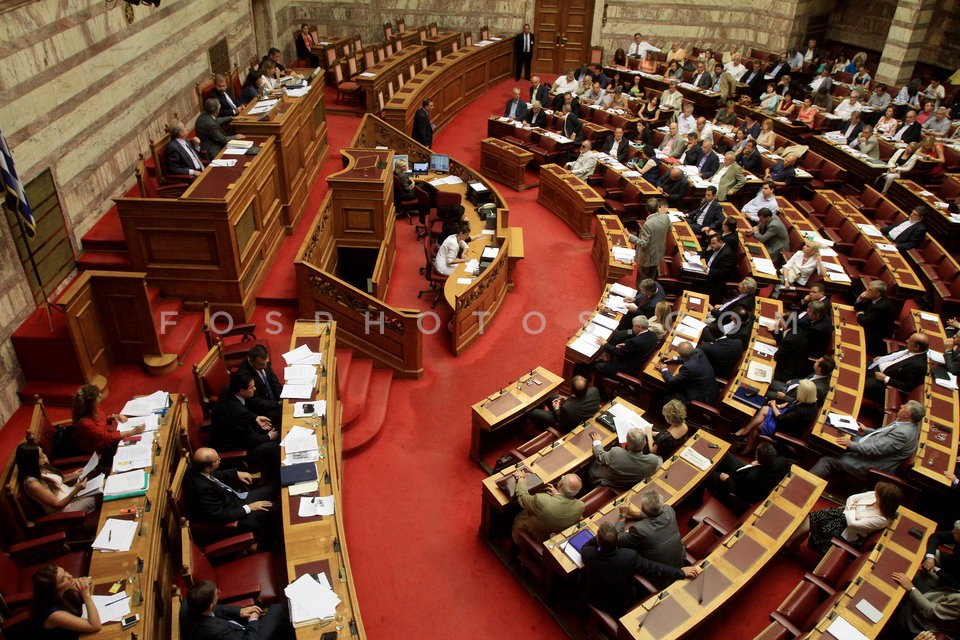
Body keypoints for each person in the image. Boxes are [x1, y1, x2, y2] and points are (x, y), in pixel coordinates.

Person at [581, 523, 700, 615]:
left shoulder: (588, 554)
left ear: (598, 541)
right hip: (622, 602)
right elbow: (654, 568)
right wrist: (680, 572)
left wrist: (599, 538)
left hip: (594, 598)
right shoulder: (629, 556)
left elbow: (587, 545)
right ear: (618, 540)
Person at [810, 401, 924, 481]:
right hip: (867, 444)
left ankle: (806, 483)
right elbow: (882, 435)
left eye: (904, 407)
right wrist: (867, 430)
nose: (901, 405)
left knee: (827, 459)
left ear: (908, 414)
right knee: (843, 429)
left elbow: (875, 449)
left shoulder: (904, 433)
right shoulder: (905, 422)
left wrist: (851, 444)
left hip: (868, 463)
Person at [183, 447, 278, 537]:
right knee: (277, 507)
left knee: (274, 489)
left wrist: (236, 474)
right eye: (217, 460)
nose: (220, 459)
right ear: (207, 467)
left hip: (235, 499)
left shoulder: (196, 468)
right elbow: (220, 516)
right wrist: (249, 507)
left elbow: (213, 475)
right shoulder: (203, 490)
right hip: (237, 516)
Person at [787, 482, 902, 554]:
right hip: (840, 515)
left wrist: (851, 509)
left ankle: (790, 544)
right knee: (813, 517)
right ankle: (791, 544)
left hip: (845, 533)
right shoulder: (876, 494)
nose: (874, 495)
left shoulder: (882, 520)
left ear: (885, 502)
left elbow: (852, 524)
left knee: (816, 520)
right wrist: (852, 511)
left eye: (877, 497)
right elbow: (851, 498)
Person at [181, 579, 292, 640]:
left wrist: (239, 611)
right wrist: (253, 620)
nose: (219, 591)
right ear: (210, 606)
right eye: (217, 593)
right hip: (246, 636)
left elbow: (216, 609)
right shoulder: (216, 631)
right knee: (277, 609)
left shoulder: (188, 603)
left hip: (235, 627)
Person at [211, 371, 280, 466]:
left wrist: (255, 417)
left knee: (272, 425)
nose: (255, 389)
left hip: (235, 432)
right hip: (236, 448)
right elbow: (250, 440)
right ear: (242, 391)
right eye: (251, 387)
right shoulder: (239, 412)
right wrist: (269, 437)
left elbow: (240, 412)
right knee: (277, 445)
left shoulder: (227, 390)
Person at [734, 380, 818, 453]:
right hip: (786, 417)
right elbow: (792, 402)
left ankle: (747, 443)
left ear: (803, 394)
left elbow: (781, 419)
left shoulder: (800, 411)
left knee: (756, 424)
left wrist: (774, 406)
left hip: (784, 429)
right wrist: (779, 406)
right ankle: (745, 434)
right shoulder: (810, 400)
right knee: (764, 409)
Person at [15, 441, 96, 515]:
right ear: (31, 460)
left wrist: (73, 475)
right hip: (65, 509)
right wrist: (76, 491)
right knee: (99, 494)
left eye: (42, 452)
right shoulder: (33, 484)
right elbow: (58, 505)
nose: (44, 456)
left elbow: (55, 481)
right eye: (40, 455)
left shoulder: (40, 467)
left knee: (103, 483)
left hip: (71, 494)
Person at [704, 442, 791, 509]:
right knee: (725, 455)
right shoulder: (782, 462)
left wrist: (727, 479)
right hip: (749, 470)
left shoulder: (753, 477)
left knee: (708, 472)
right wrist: (758, 465)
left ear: (758, 458)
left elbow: (739, 492)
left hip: (737, 482)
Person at [511, 471, 584, 543]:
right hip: (552, 537)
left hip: (533, 533)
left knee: (518, 516)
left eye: (562, 477)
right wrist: (557, 494)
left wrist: (520, 478)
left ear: (560, 484)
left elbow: (523, 498)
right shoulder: (580, 506)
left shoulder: (540, 500)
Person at [616, 490, 685, 567]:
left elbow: (616, 538)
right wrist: (631, 513)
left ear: (642, 508)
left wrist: (622, 515)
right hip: (681, 561)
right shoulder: (669, 510)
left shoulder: (639, 530)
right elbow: (655, 514)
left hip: (662, 572)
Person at [71, 384, 144, 456]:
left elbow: (102, 420)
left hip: (105, 436)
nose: (101, 395)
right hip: (99, 446)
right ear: (91, 403)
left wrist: (113, 417)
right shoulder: (85, 423)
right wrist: (132, 432)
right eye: (98, 395)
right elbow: (106, 437)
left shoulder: (92, 408)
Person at [31, 565, 102, 637]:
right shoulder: (54, 615)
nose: (70, 576)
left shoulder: (60, 590)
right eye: (62, 580)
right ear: (53, 589)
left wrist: (84, 583)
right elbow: (95, 626)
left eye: (65, 572)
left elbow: (88, 580)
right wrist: (86, 596)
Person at [863, 333, 929, 404]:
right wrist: (882, 358)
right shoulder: (911, 348)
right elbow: (894, 356)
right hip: (876, 366)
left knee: (861, 383)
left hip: (881, 381)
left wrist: (886, 378)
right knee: (857, 363)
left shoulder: (918, 366)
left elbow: (907, 386)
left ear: (916, 347)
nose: (906, 341)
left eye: (910, 340)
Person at [589, 427, 661, 489]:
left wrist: (597, 442)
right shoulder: (653, 461)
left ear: (627, 442)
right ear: (645, 443)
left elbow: (600, 455)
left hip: (606, 481)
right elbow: (659, 460)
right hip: (628, 485)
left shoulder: (616, 453)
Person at [892, 572, 960, 637]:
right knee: (905, 575)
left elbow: (930, 611)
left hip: (919, 617)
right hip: (934, 596)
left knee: (889, 607)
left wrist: (911, 588)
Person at [594, 315, 659, 380]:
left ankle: (605, 353)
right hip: (632, 334)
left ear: (638, 327)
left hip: (627, 365)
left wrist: (605, 344)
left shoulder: (635, 339)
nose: (633, 327)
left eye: (633, 326)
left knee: (617, 336)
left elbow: (623, 350)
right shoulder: (653, 335)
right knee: (618, 334)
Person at [529, 375, 601, 432]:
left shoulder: (567, 408)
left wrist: (556, 409)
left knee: (533, 412)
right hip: (577, 414)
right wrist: (566, 399)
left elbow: (562, 423)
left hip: (570, 425)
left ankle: (542, 427)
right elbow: (579, 400)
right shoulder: (595, 391)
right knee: (549, 395)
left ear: (571, 389)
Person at [238, 344, 283, 426]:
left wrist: (280, 397)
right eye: (261, 364)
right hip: (262, 408)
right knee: (283, 417)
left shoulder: (263, 362)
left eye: (266, 363)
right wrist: (277, 404)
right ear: (251, 361)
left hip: (273, 399)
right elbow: (255, 401)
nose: (265, 366)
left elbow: (274, 381)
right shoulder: (244, 375)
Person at [629, 198, 672, 282]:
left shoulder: (648, 224)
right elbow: (669, 230)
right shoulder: (666, 217)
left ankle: (641, 294)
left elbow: (643, 243)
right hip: (658, 254)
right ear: (658, 207)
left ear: (647, 209)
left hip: (647, 257)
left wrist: (630, 236)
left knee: (642, 280)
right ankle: (650, 294)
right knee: (651, 278)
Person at [766, 355, 835, 404]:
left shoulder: (818, 389)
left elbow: (800, 403)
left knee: (763, 392)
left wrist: (784, 397)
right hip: (789, 387)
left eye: (817, 361)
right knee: (766, 381)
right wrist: (793, 381)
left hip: (787, 397)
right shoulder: (821, 373)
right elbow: (804, 379)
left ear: (819, 369)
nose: (816, 361)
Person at [855, 279, 896, 356]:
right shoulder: (872, 298)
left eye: (870, 290)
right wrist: (860, 297)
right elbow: (857, 307)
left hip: (877, 335)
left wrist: (860, 313)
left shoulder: (881, 307)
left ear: (877, 293)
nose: (867, 291)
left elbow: (863, 321)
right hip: (871, 325)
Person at [701, 232, 737, 302]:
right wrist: (696, 253)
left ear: (720, 242)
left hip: (715, 282)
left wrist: (708, 270)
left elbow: (723, 273)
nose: (711, 245)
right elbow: (708, 253)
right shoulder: (717, 247)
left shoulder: (727, 254)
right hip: (706, 270)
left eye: (713, 243)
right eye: (711, 243)